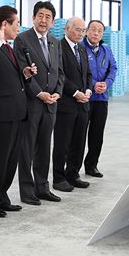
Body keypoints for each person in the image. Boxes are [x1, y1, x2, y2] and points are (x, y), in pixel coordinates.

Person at [0, 5, 36, 218]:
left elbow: (7, 76)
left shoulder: (9, 48)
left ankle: (1, 197)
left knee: (10, 159)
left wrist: (25, 74)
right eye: (16, 24)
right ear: (3, 24)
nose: (19, 27)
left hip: (15, 112)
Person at [14, 1, 64, 206]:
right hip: (32, 103)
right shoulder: (22, 39)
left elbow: (59, 71)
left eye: (48, 17)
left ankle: (42, 187)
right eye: (40, 16)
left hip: (51, 103)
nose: (44, 20)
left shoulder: (55, 41)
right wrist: (39, 93)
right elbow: (22, 72)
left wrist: (57, 93)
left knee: (44, 147)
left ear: (52, 21)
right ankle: (27, 191)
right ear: (34, 17)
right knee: (27, 148)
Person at [53, 17, 92, 192]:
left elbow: (88, 74)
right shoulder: (58, 48)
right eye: (78, 29)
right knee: (63, 142)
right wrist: (76, 92)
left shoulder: (82, 49)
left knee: (79, 141)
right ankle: (59, 178)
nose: (81, 33)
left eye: (83, 30)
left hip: (83, 104)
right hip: (66, 104)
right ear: (67, 29)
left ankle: (73, 174)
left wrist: (88, 90)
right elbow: (60, 76)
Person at [81, 20, 117, 178]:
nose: (96, 33)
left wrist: (106, 84)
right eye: (93, 29)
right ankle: (73, 167)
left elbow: (113, 68)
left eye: (100, 31)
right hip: (84, 98)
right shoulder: (80, 48)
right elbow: (78, 71)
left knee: (97, 135)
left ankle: (92, 166)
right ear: (87, 31)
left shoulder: (106, 50)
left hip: (101, 99)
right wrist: (93, 84)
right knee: (79, 134)